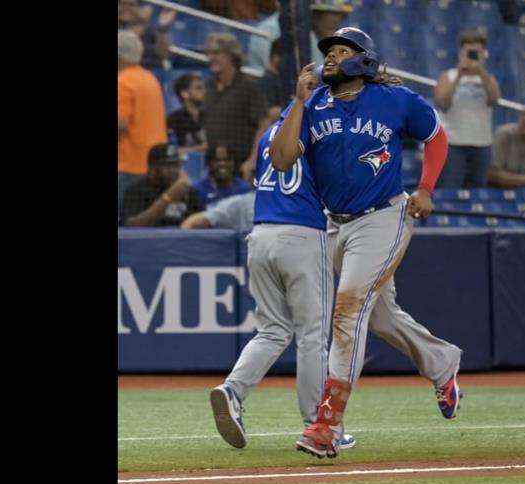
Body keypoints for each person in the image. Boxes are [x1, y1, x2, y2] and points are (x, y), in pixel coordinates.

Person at [270, 27, 463, 459]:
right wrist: (298, 103)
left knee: (349, 309)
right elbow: (282, 160)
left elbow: (436, 136)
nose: (332, 57)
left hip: (384, 216)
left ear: (365, 59)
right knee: (378, 316)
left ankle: (327, 424)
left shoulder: (395, 99)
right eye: (329, 52)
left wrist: (427, 187)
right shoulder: (313, 103)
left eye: (342, 50)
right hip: (334, 224)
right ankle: (441, 361)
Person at [208, 120, 356, 451]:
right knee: (312, 335)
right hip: (301, 233)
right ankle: (320, 424)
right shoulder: (321, 133)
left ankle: (233, 389)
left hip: (260, 235)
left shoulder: (269, 134)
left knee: (273, 330)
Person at [433, 31, 502, 188]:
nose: (472, 55)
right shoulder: (448, 76)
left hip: (481, 144)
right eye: (469, 52)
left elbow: (494, 99)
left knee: (478, 191)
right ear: (460, 53)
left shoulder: (488, 78)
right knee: (450, 189)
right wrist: (459, 74)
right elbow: (442, 103)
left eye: (476, 52)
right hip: (453, 143)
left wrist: (481, 71)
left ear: (483, 54)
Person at [201, 32, 272, 181]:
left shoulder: (249, 87)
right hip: (214, 167)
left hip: (242, 166)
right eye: (208, 53)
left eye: (216, 53)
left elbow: (264, 125)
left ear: (231, 55)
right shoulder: (208, 87)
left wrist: (252, 161)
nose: (210, 58)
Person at [118, 30, 167, 208]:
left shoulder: (123, 81)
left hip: (128, 164)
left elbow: (120, 124)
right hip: (152, 163)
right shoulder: (150, 78)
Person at [247, 0, 353, 76]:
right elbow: (273, 72)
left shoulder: (307, 33)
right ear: (314, 13)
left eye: (340, 15)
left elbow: (320, 70)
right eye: (331, 13)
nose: (336, 20)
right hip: (269, 91)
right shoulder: (267, 29)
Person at [121, 143, 203, 227]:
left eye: (177, 165)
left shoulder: (186, 191)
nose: (174, 171)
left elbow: (203, 221)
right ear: (153, 169)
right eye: (169, 166)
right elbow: (132, 225)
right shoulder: (136, 191)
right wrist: (168, 197)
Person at [487, 102, 525, 189]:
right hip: (496, 192)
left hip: (524, 194)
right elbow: (492, 174)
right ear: (520, 116)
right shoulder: (503, 134)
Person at [117, 0, 175, 69]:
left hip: (147, 73)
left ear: (139, 8)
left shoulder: (149, 31)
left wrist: (163, 28)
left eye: (131, 5)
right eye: (123, 4)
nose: (126, 8)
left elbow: (164, 54)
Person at [191, 144, 253, 208]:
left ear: (234, 163)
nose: (222, 164)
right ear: (209, 163)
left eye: (227, 160)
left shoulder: (244, 190)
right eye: (217, 160)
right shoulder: (198, 188)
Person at [166, 74, 207, 153]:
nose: (204, 91)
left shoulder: (211, 117)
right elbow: (170, 151)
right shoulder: (174, 120)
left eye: (205, 88)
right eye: (199, 88)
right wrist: (201, 148)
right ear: (184, 93)